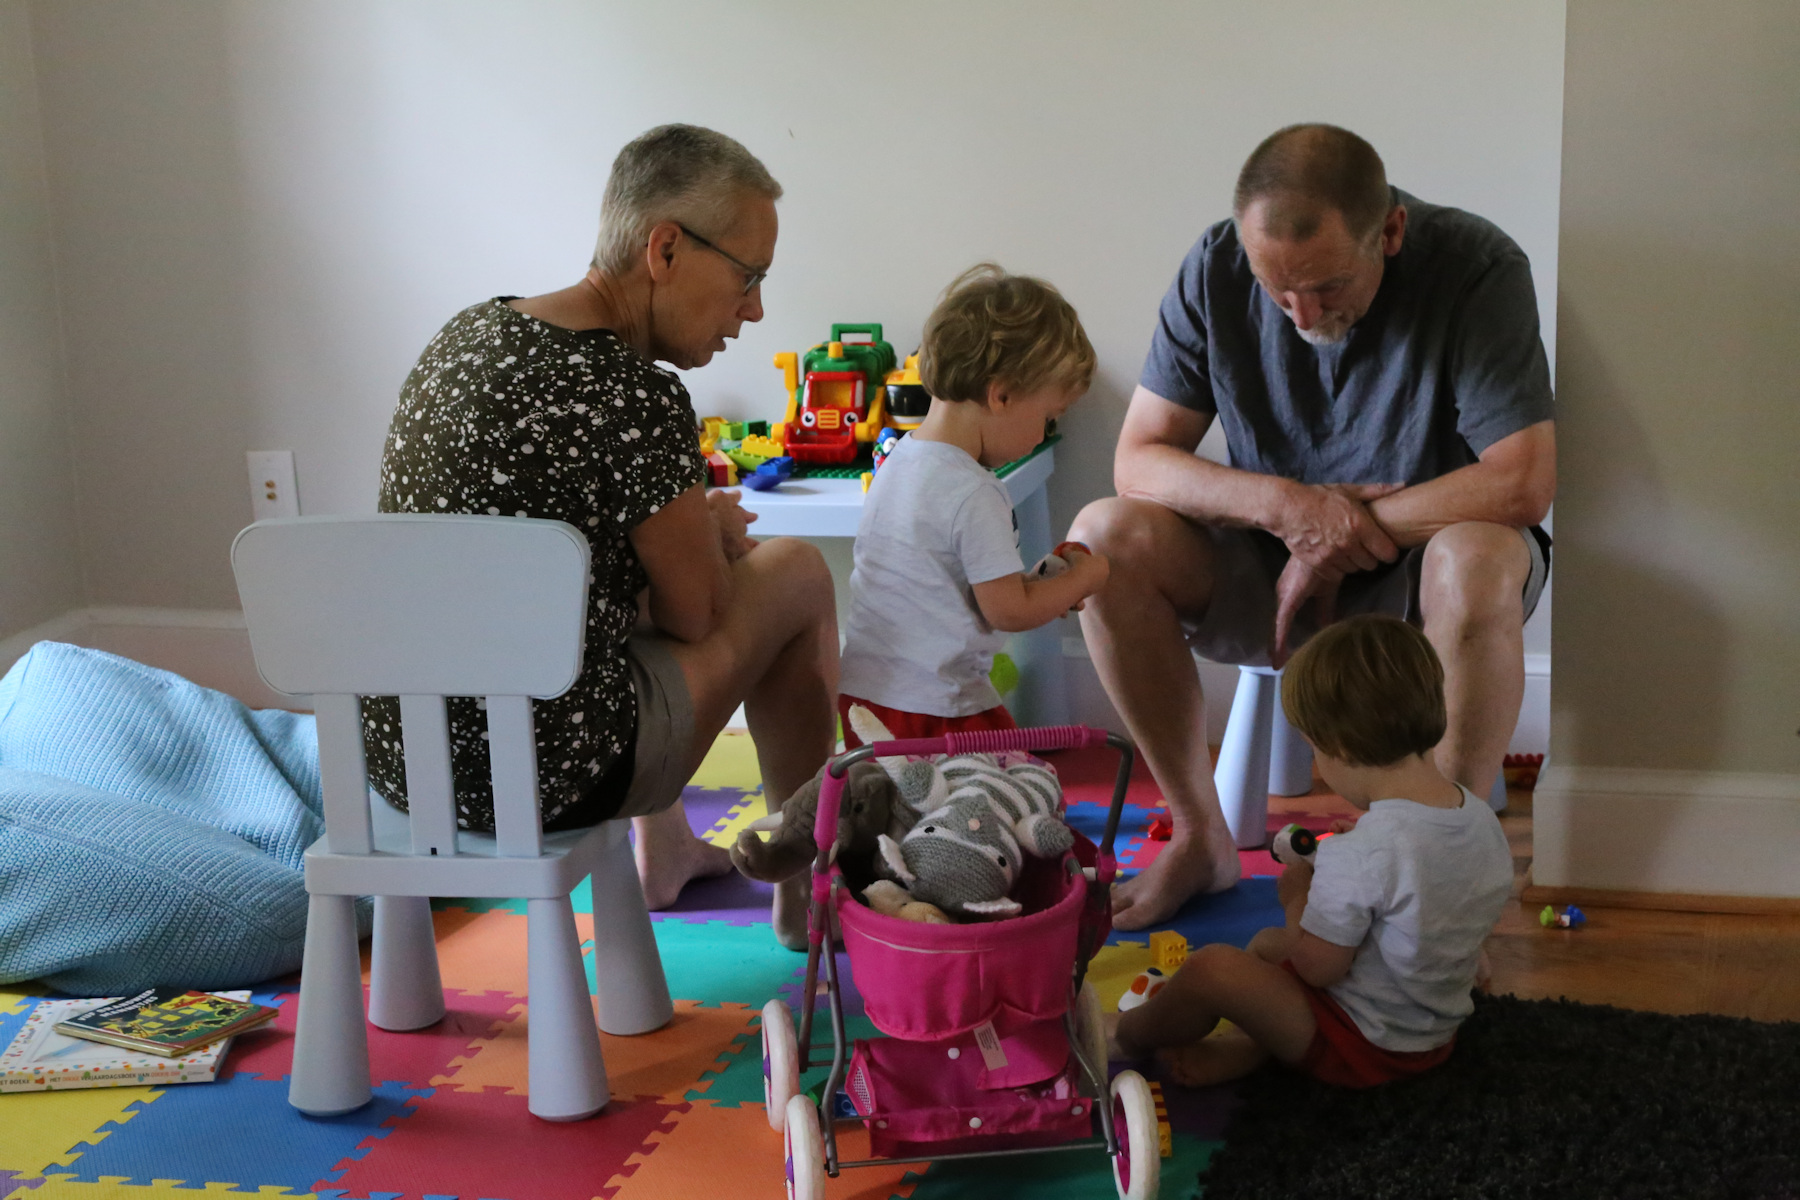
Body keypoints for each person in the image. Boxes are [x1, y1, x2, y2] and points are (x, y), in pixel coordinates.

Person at [1071, 123, 1556, 929]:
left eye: (1328, 287)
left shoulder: (1477, 265)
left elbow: (1521, 481)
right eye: (1277, 289)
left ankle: (1441, 869)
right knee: (1101, 537)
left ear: (1389, 231)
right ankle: (1200, 837)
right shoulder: (1214, 264)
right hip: (1271, 562)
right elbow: (1139, 462)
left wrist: (1344, 531)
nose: (1301, 312)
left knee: (1474, 558)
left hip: (1427, 565)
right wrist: (1292, 511)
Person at [365, 124, 838, 915]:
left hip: (404, 762)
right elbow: (696, 616)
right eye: (748, 276)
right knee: (798, 573)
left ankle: (671, 851)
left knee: (613, 603)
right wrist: (714, 535)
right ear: (666, 249)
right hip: (547, 777)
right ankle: (808, 898)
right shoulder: (633, 395)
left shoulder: (468, 332)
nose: (754, 309)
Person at [1108, 614, 1514, 1089]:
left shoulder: (1362, 854)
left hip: (1364, 1046)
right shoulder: (1478, 818)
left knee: (1213, 970)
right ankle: (1247, 1046)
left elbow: (1316, 969)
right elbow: (1433, 893)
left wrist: (1297, 897)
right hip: (1433, 1033)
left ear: (1337, 746)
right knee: (1264, 946)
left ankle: (1126, 1035)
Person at [836, 264, 1109, 745]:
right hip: (939, 708)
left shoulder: (899, 461)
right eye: (1047, 417)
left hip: (865, 699)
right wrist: (1086, 578)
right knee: (1015, 787)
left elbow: (957, 590)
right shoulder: (973, 490)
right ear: (1001, 396)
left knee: (891, 796)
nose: (1043, 434)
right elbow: (1009, 613)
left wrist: (1042, 582)